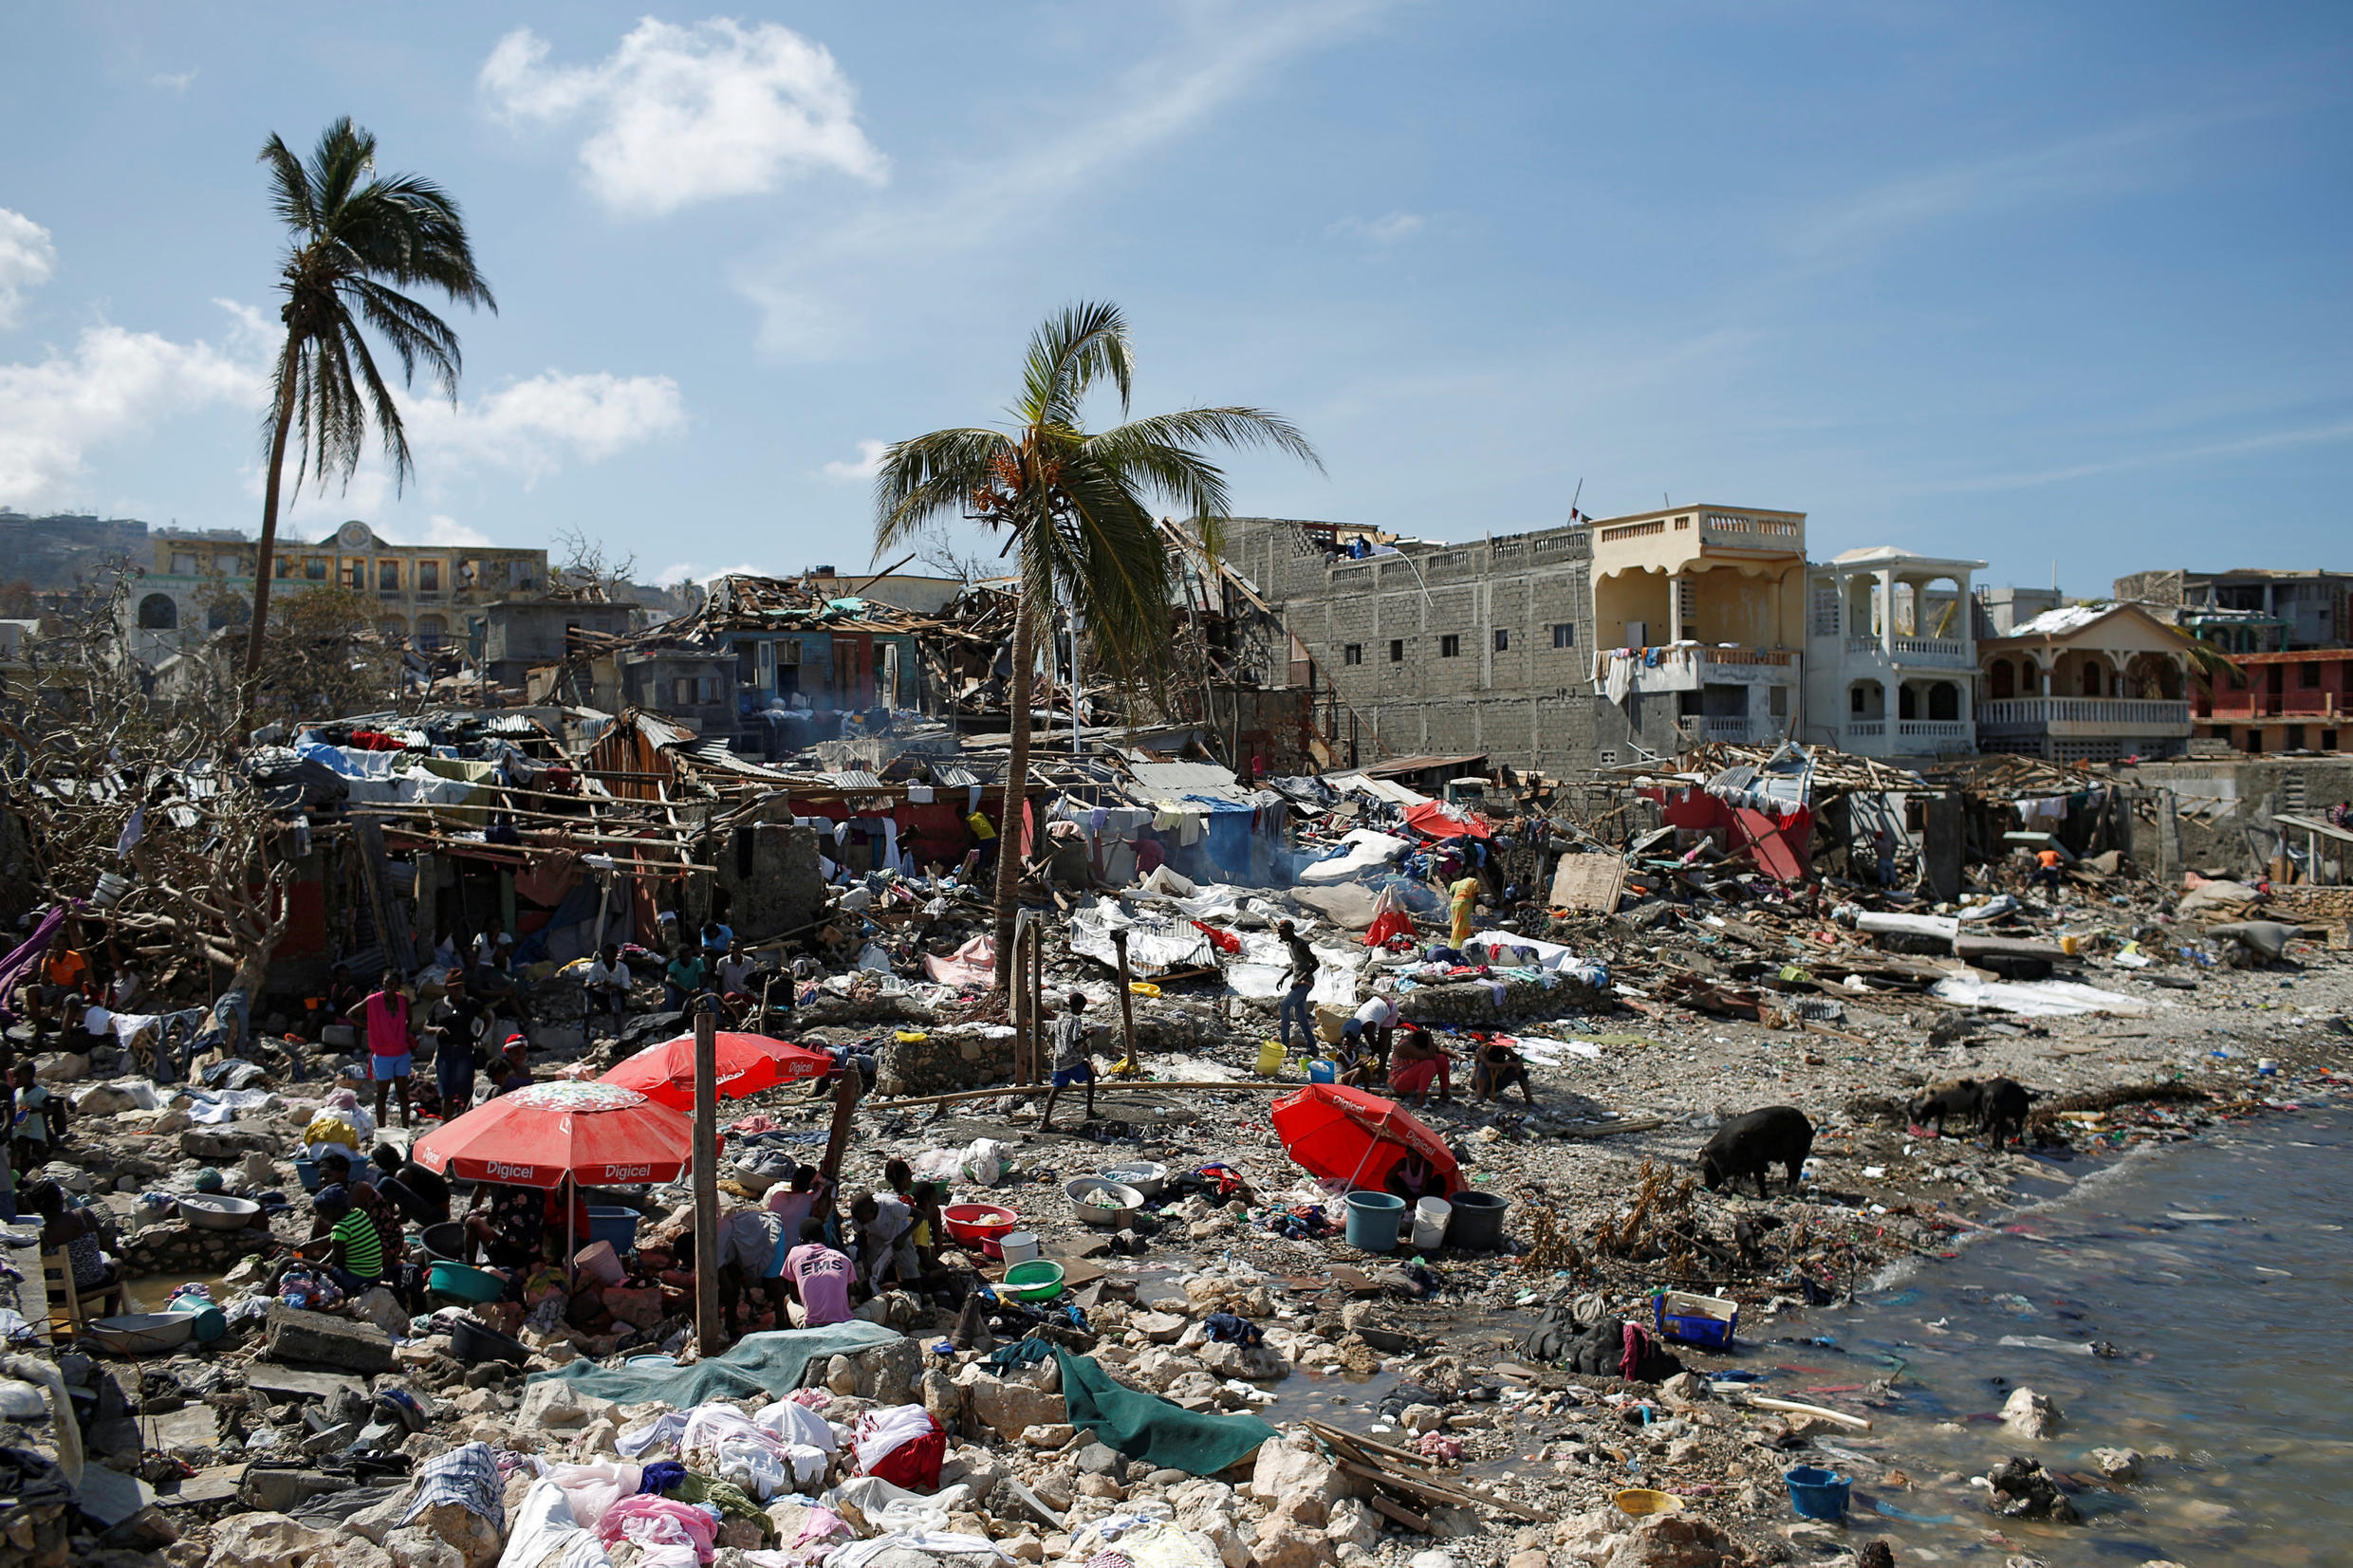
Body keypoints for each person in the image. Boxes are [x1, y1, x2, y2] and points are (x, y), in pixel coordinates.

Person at [23, 1179, 118, 1296]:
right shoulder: (83, 1215)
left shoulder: (43, 1235)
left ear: (34, 1208)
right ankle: (109, 1313)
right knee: (117, 1263)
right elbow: (105, 1246)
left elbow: (40, 1270)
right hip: (97, 1282)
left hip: (61, 1293)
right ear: (61, 1199)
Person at [318, 1151, 404, 1271]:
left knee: (332, 1256)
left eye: (327, 1175)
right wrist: (305, 1250)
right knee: (311, 1251)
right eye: (320, 1176)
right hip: (355, 1240)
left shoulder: (359, 1190)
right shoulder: (330, 1198)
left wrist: (315, 1252)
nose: (322, 1180)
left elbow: (344, 1232)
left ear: (342, 1174)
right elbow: (322, 1231)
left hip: (383, 1242)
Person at [349, 970, 414, 1130]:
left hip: (401, 1052)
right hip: (382, 1054)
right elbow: (350, 1014)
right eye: (386, 984)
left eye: (392, 984)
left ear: (398, 985)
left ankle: (405, 1128)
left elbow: (410, 1018)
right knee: (382, 1094)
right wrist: (369, 1027)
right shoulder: (373, 1001)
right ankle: (382, 1130)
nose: (388, 987)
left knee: (403, 1094)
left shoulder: (403, 1000)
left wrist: (404, 1032)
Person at [718, 1202, 788, 1337]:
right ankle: (731, 1328)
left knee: (776, 1285)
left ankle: (783, 1327)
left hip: (769, 1231)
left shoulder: (715, 1247)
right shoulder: (719, 1240)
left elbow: (728, 1288)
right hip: (744, 1239)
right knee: (733, 1281)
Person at [426, 968, 486, 1116]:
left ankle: (467, 1125)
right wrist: (436, 1030)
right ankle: (447, 1125)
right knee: (447, 1095)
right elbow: (426, 1026)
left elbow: (487, 1018)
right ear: (447, 989)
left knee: (466, 1093)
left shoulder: (470, 1003)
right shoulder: (438, 1005)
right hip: (445, 1052)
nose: (458, 991)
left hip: (464, 1051)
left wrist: (479, 1035)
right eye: (454, 988)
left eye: (460, 987)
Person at [306, 1184, 385, 1295]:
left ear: (333, 1210)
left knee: (315, 1272)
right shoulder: (359, 1213)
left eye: (322, 1212)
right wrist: (321, 1263)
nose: (320, 1216)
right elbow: (338, 1250)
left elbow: (337, 1263)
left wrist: (317, 1267)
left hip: (357, 1279)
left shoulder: (340, 1229)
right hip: (376, 1275)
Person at [781, 1216, 854, 1327]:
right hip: (845, 1323)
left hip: (812, 1325)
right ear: (824, 1237)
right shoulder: (843, 1258)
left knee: (787, 1299)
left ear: (801, 1240)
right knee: (885, 1299)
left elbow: (795, 1297)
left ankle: (790, 1335)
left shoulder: (795, 1254)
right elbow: (847, 1297)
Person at [1041, 991, 1097, 1130]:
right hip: (1071, 1059)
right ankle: (1089, 1112)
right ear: (1078, 1006)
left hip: (1059, 1058)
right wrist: (1087, 1036)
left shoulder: (1060, 1016)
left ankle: (1045, 1122)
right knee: (1091, 1076)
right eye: (1082, 1007)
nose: (1082, 1010)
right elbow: (1074, 1042)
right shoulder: (1075, 1020)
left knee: (1056, 1088)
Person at [849, 1190, 917, 1293]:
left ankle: (912, 1289)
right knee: (873, 1272)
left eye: (861, 1219)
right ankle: (880, 1288)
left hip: (901, 1233)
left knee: (910, 1273)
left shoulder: (891, 1206)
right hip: (878, 1236)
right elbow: (862, 1237)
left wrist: (902, 1237)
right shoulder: (858, 1216)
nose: (859, 1222)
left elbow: (919, 1216)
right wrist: (865, 1261)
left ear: (872, 1210)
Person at [372, 1144, 451, 1226]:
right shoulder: (402, 1167)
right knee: (382, 1175)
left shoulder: (402, 1175)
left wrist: (389, 1224)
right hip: (430, 1206)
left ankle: (367, 1211)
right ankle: (383, 1212)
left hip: (438, 1216)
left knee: (386, 1182)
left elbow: (404, 1218)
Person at [9, 1062, 61, 1175]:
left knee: (40, 1152)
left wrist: (37, 1110)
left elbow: (50, 1109)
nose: (15, 1080)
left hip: (36, 1128)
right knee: (22, 1154)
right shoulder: (18, 1091)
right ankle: (22, 1178)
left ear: (29, 1076)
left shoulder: (40, 1092)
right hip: (20, 1127)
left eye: (18, 1077)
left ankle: (51, 1175)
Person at [1275, 921, 1318, 1056]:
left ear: (1290, 931)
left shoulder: (1301, 944)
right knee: (1300, 1016)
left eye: (1282, 931)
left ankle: (1285, 1045)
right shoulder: (1290, 944)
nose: (1280, 933)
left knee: (1284, 1006)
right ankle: (1313, 1048)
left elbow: (1315, 964)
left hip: (1305, 982)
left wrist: (1299, 980)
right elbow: (1296, 964)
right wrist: (1283, 977)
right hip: (1298, 981)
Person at [1390, 1027, 1454, 1107]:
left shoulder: (1420, 1038)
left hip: (1412, 1076)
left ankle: (1445, 1094)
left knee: (1442, 1059)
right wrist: (1430, 1037)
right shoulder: (1405, 1046)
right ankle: (1420, 1100)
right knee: (1429, 1064)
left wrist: (1456, 1056)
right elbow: (1430, 1055)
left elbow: (1436, 1049)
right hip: (1399, 1082)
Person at [584, 945, 631, 1040]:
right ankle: (586, 1027)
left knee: (614, 993)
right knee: (589, 993)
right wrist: (600, 984)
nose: (604, 958)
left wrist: (614, 986)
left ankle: (617, 1030)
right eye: (603, 955)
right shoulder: (598, 965)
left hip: (618, 999)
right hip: (602, 997)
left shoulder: (622, 968)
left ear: (614, 956)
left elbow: (627, 990)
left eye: (607, 955)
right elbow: (586, 984)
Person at [1473, 1038, 1536, 1105]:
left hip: (1497, 1082)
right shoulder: (1482, 1050)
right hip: (1482, 1084)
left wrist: (1517, 1061)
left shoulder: (1502, 1048)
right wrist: (1509, 1064)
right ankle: (1479, 1099)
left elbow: (1515, 1057)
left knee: (1520, 1071)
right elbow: (1489, 1064)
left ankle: (1529, 1101)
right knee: (1482, 1067)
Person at [1383, 1151, 1451, 1204]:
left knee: (1439, 1179)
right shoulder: (1402, 1163)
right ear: (1407, 1154)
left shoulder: (1427, 1165)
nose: (1415, 1160)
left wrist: (1417, 1202)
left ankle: (1433, 1206)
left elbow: (1424, 1188)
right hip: (1404, 1193)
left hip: (1422, 1195)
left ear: (1422, 1157)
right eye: (1412, 1157)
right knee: (1393, 1179)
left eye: (1418, 1158)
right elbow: (1387, 1181)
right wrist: (1400, 1199)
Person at [663, 947, 707, 1012]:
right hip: (681, 992)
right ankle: (670, 1013)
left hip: (696, 992)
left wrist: (699, 989)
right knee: (669, 988)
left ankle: (717, 1019)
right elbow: (668, 980)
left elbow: (704, 978)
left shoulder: (698, 961)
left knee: (708, 992)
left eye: (690, 956)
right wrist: (685, 990)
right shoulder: (673, 965)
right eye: (686, 957)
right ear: (680, 958)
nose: (689, 959)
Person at [1448, 876, 1482, 948]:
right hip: (1464, 904)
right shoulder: (1474, 881)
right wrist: (1473, 908)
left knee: (1456, 925)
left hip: (1454, 904)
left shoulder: (1458, 883)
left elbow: (1451, 894)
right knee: (1462, 926)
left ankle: (1457, 942)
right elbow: (1476, 896)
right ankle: (1457, 945)